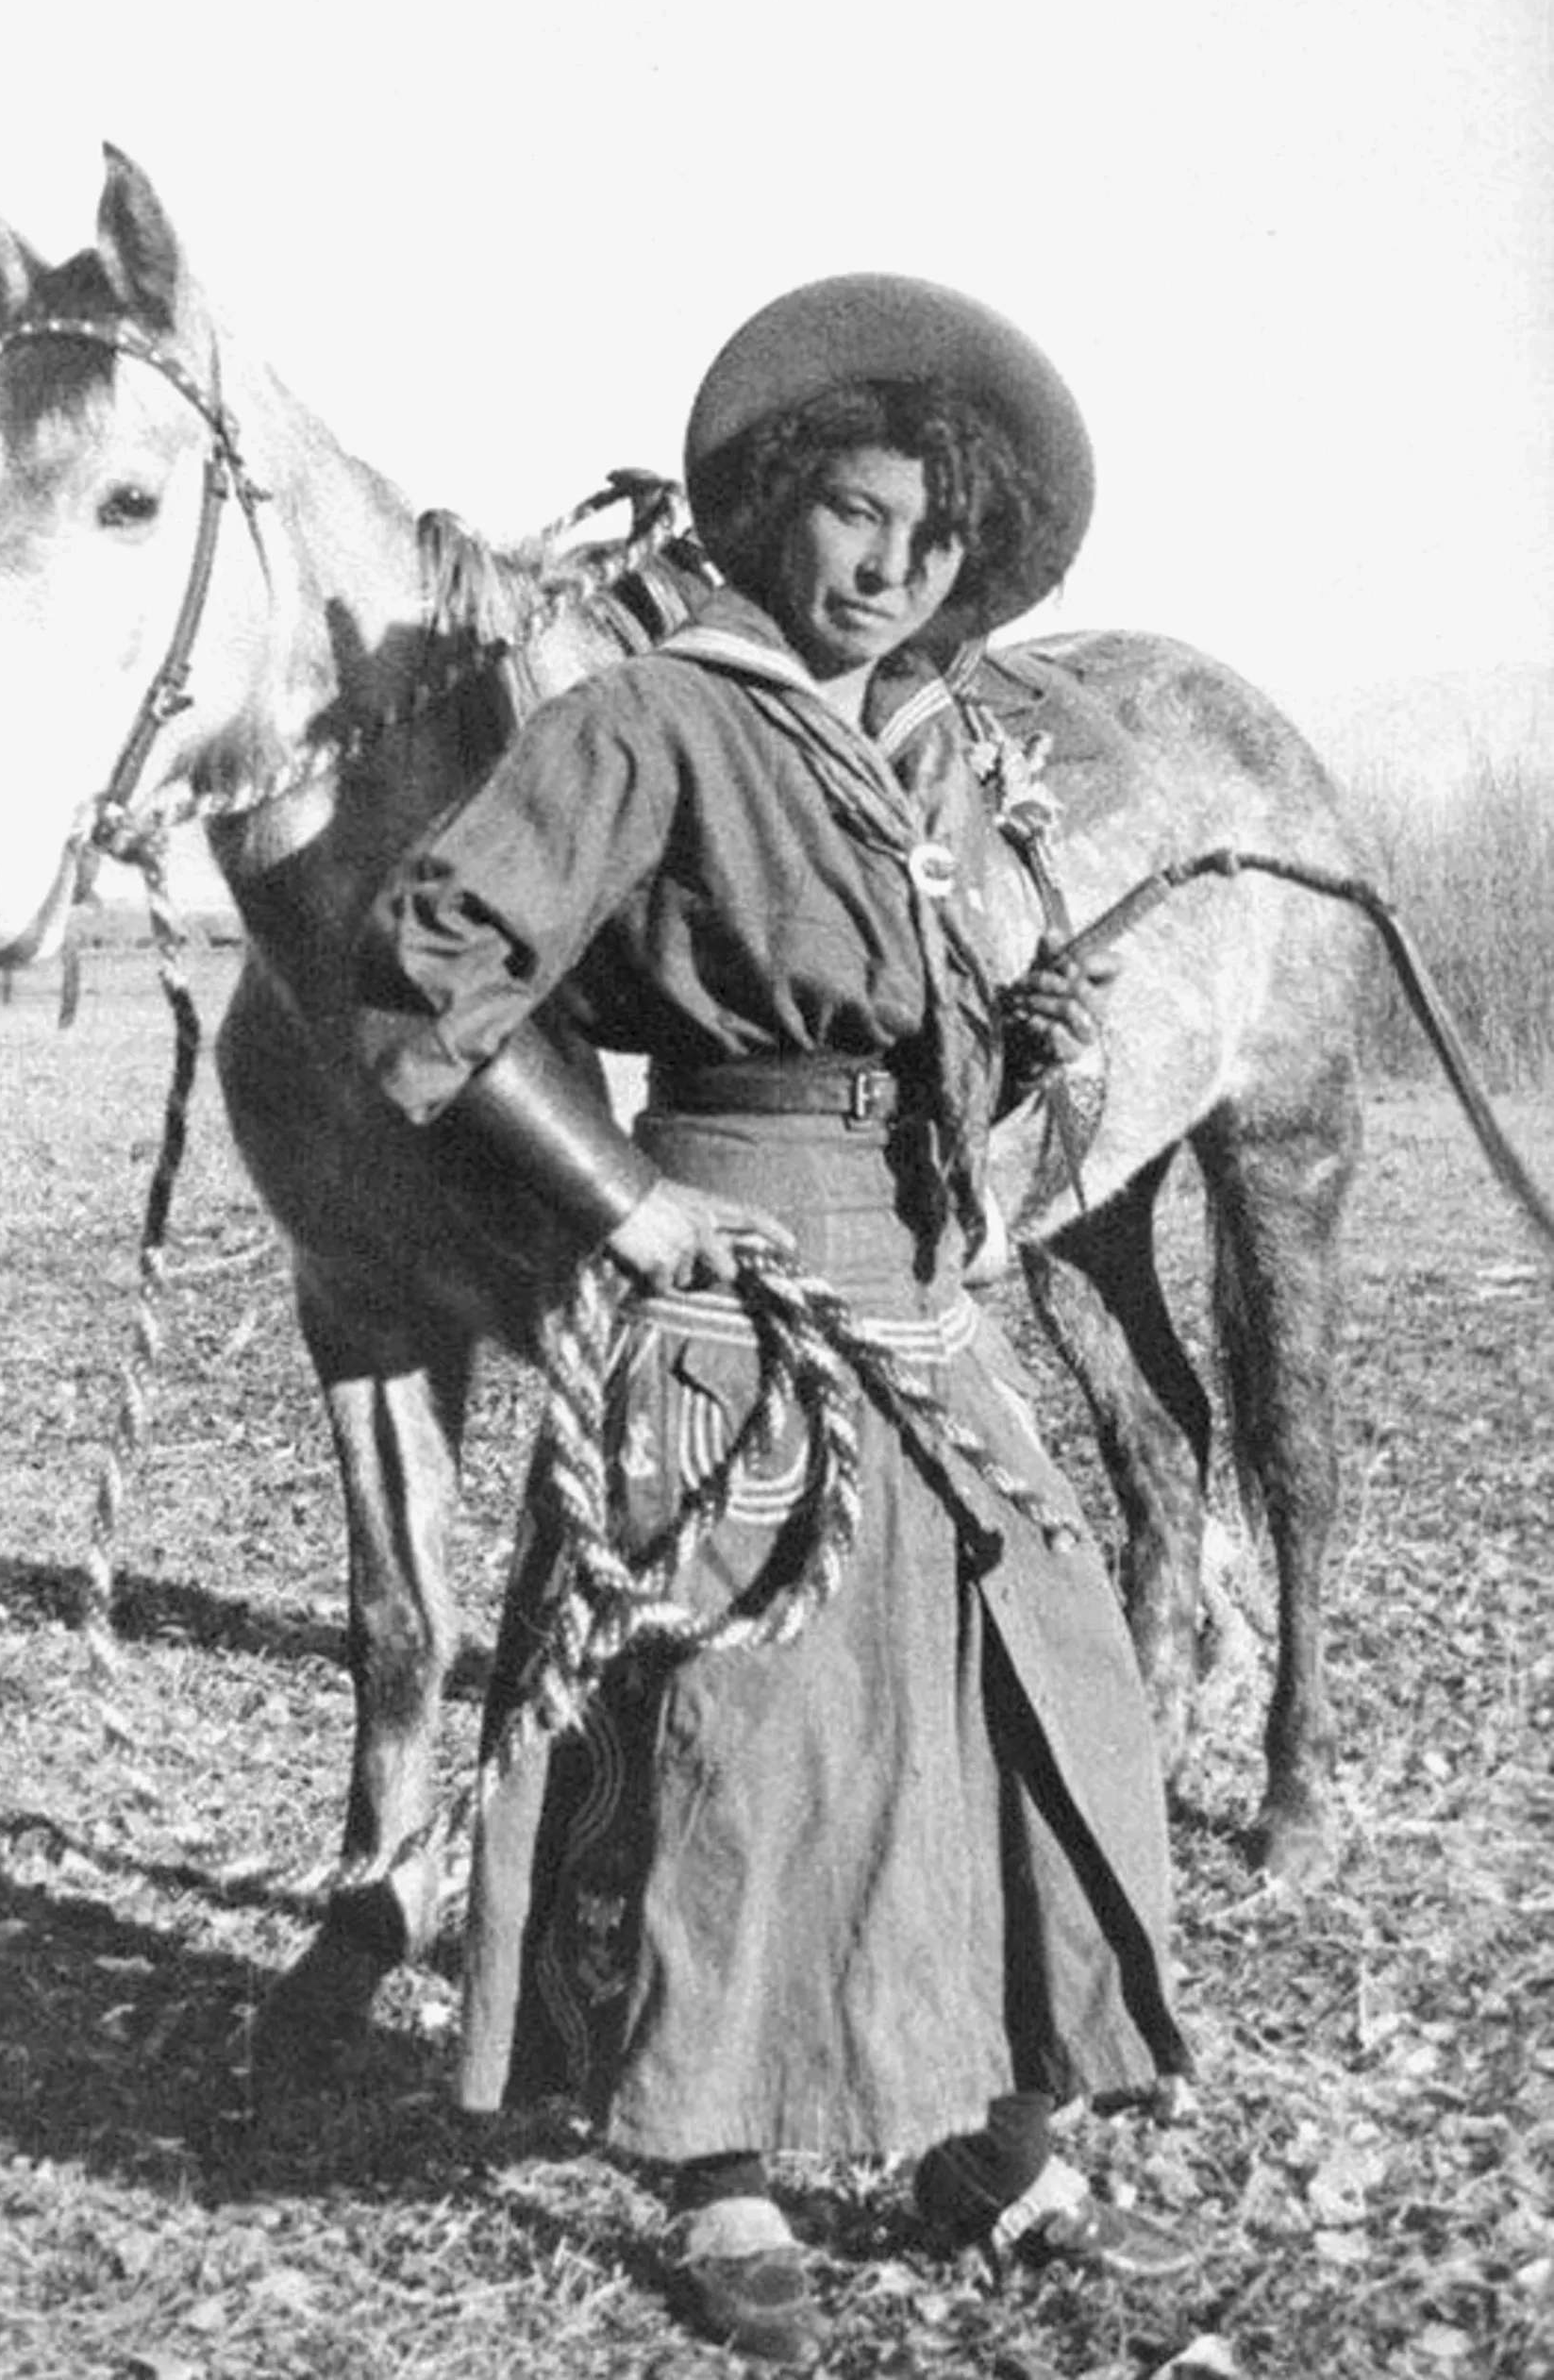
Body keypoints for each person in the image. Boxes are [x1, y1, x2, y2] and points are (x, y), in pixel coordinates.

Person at [352, 275, 1195, 2365]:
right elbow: (427, 975)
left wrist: (1009, 1035)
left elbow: (903, 1030)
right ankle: (718, 2159)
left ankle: (984, 2119)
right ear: (770, 510)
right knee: (748, 1743)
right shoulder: (658, 715)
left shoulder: (922, 756)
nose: (889, 563)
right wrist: (631, 1204)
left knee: (1035, 1690)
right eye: (855, 513)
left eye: (931, 537)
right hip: (736, 1294)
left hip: (916, 1290)